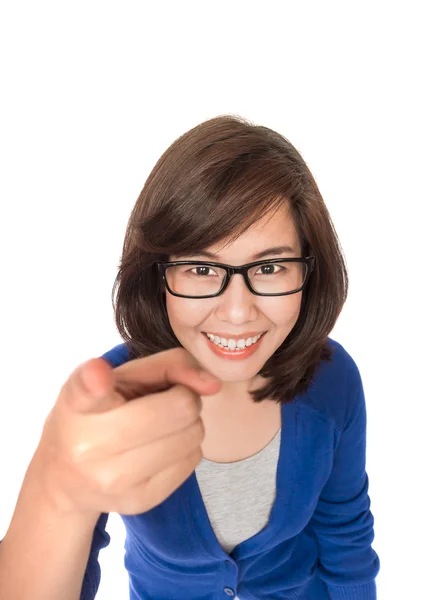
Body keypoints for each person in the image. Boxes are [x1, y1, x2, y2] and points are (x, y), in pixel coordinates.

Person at [0, 115, 381, 600]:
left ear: (311, 267)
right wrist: (57, 488)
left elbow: (346, 537)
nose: (238, 311)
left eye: (269, 266)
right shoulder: (116, 395)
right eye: (202, 268)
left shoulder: (334, 380)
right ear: (156, 274)